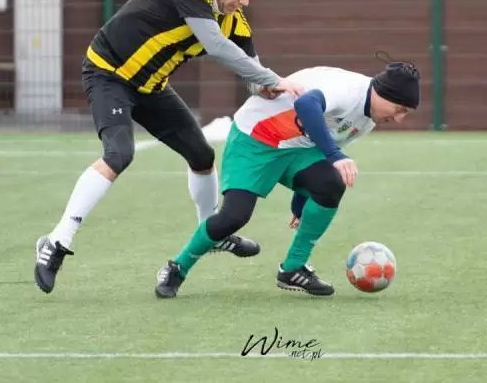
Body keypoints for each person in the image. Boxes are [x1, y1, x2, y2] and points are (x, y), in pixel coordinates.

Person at [34, 0, 305, 294]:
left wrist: (268, 88)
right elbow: (217, 46)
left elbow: (251, 72)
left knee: (202, 156)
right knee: (119, 154)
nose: (244, 1)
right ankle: (57, 240)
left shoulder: (235, 20)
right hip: (109, 75)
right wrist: (271, 78)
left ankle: (212, 233)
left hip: (151, 87)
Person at [154, 59, 421, 298]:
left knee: (330, 184)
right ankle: (177, 267)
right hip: (254, 138)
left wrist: (300, 202)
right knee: (234, 217)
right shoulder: (349, 90)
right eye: (399, 109)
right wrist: (336, 156)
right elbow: (306, 105)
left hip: (296, 149)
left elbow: (318, 145)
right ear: (382, 93)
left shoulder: (368, 119)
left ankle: (293, 268)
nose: (398, 118)